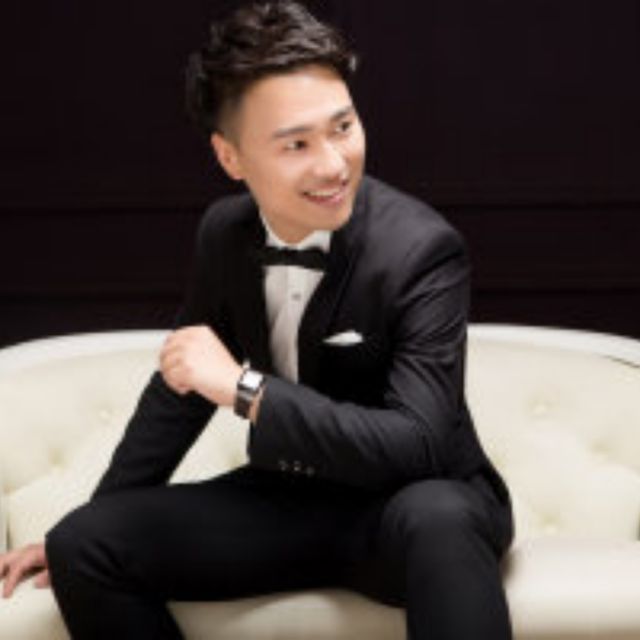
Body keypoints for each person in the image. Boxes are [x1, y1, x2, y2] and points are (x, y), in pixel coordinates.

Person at [0, 2, 514, 638]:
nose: (333, 164)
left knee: (441, 517)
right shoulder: (224, 234)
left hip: (411, 507)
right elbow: (180, 391)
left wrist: (246, 391)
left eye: (343, 127)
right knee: (83, 544)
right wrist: (101, 512)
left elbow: (419, 444)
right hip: (289, 500)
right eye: (296, 144)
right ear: (231, 157)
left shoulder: (422, 249)